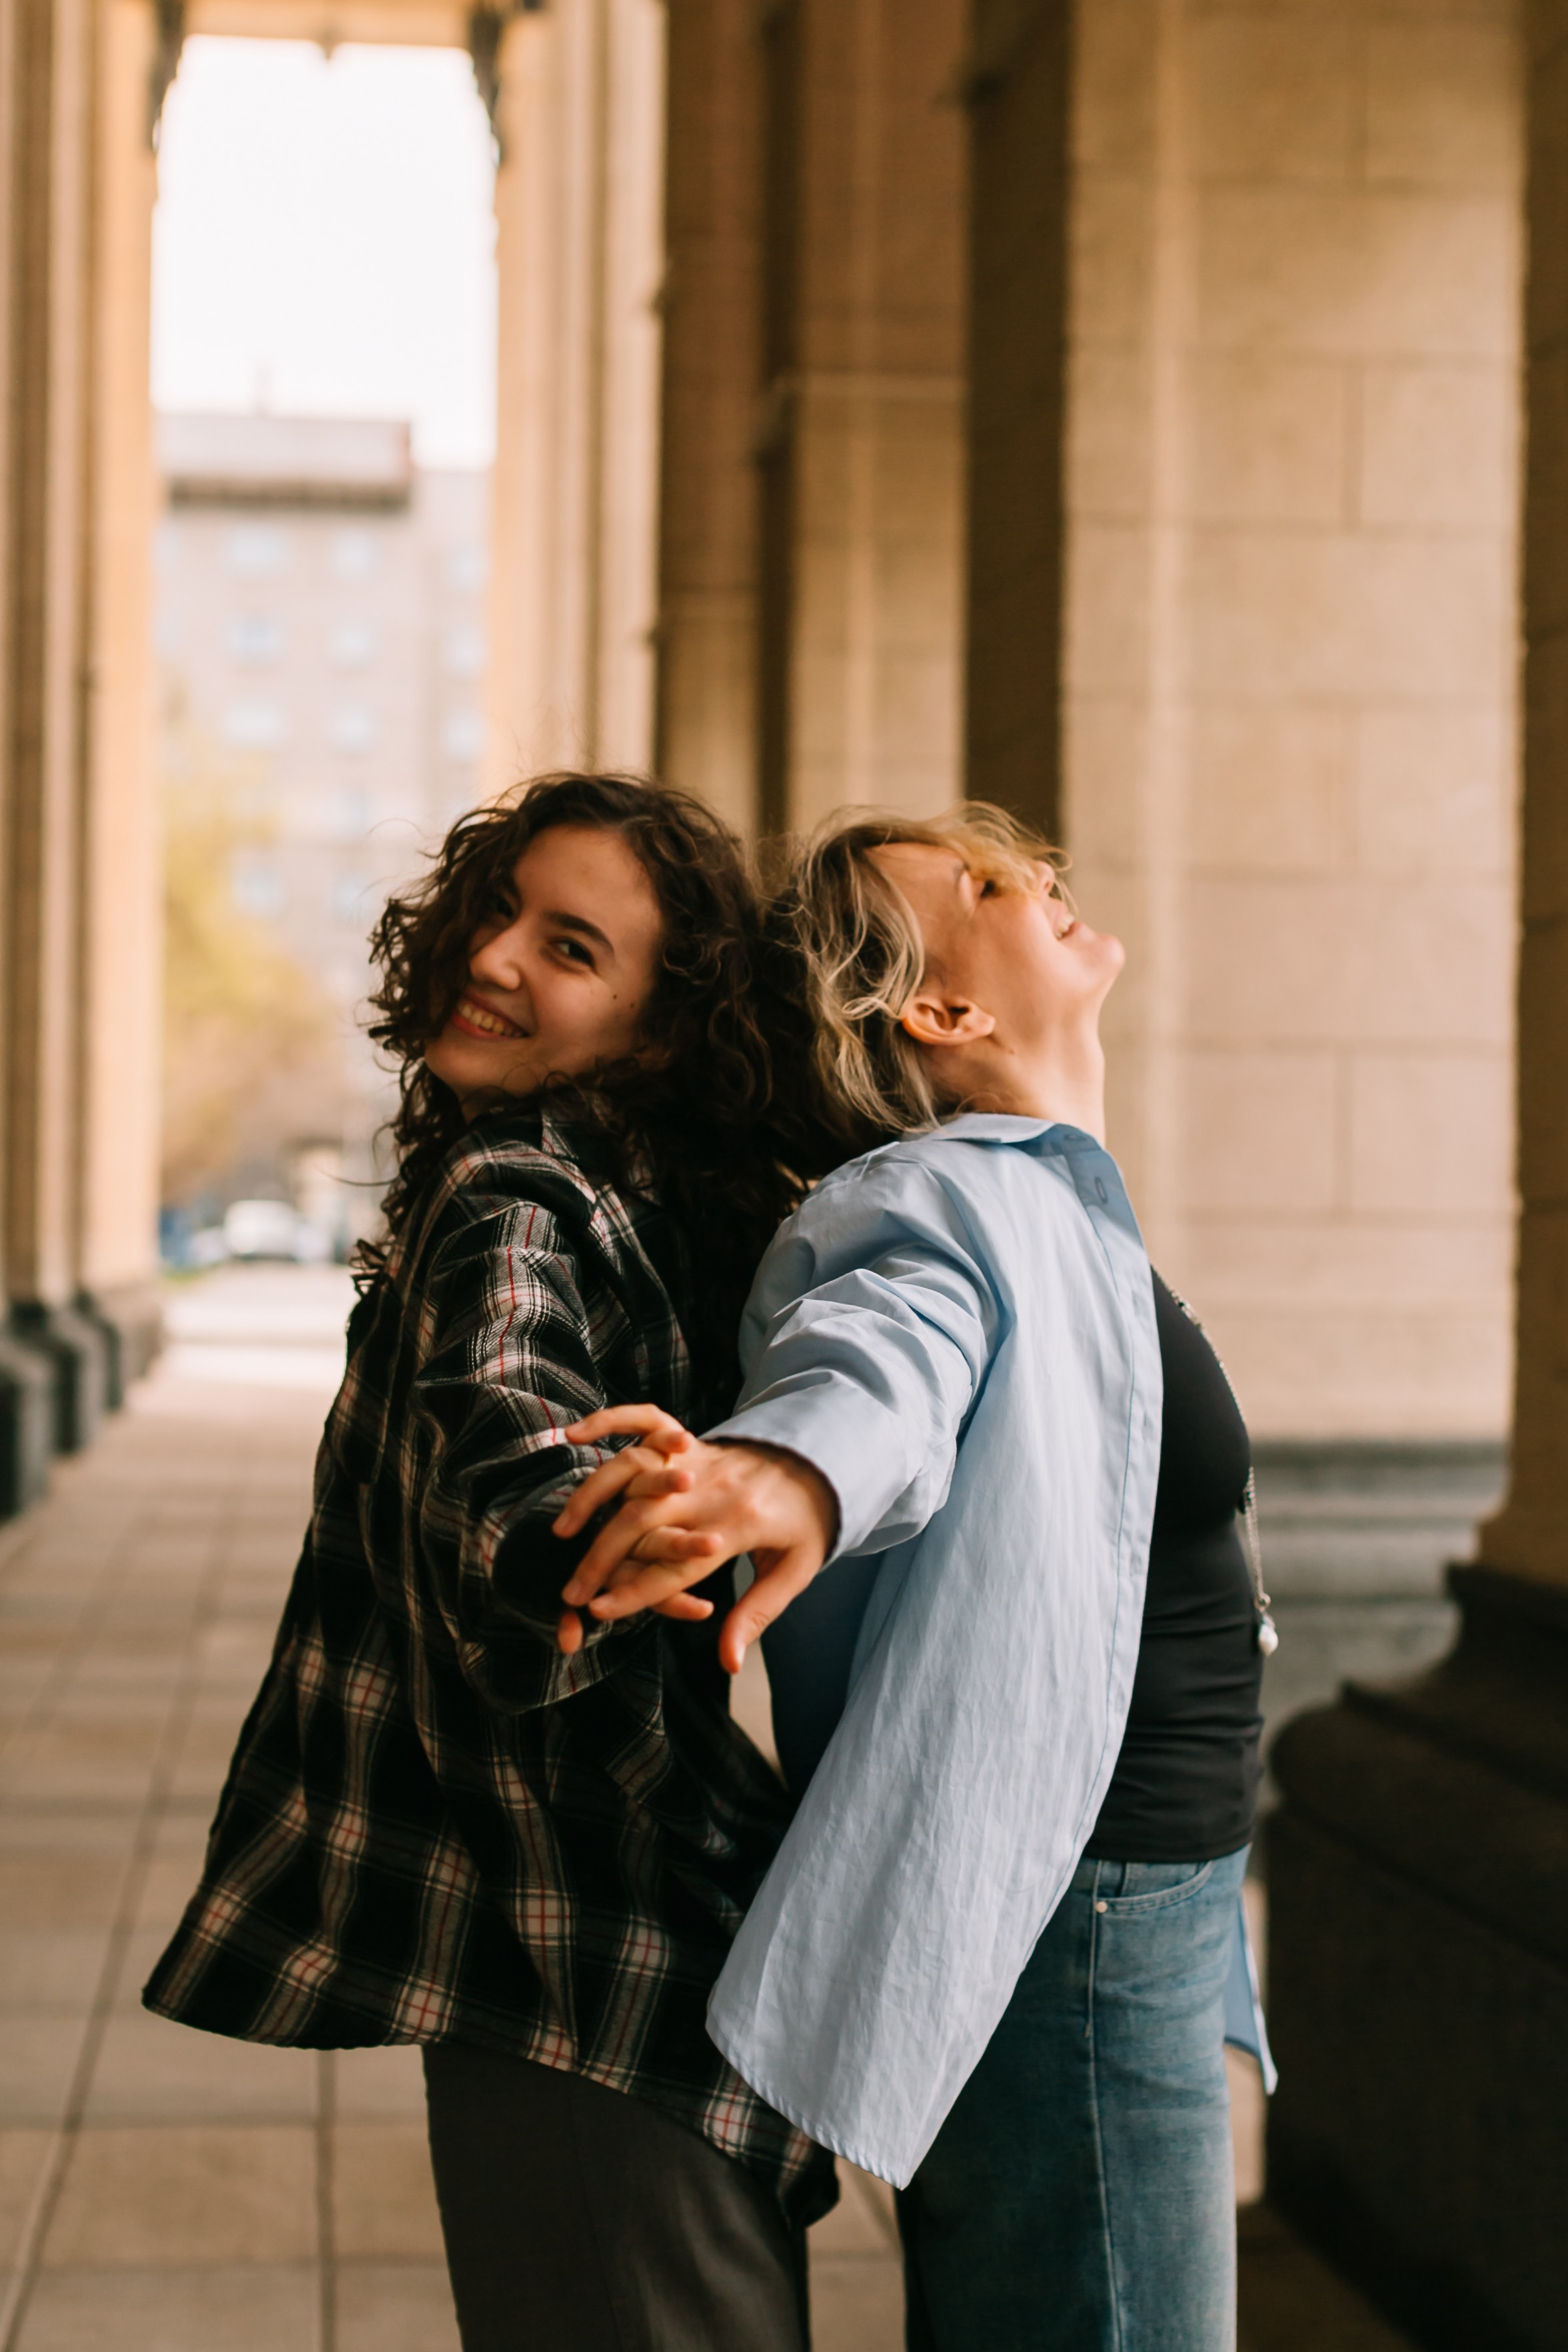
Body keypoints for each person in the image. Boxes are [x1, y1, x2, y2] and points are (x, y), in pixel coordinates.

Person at [556, 803, 1269, 2352]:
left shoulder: (1049, 1194)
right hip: (1080, 1909)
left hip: (1124, 1893)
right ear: (937, 1009)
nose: (1050, 886)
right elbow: (884, 1360)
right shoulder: (931, 1202)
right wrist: (789, 1472)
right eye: (1000, 883)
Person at [143, 774, 837, 2352]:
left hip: (582, 1982)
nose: (499, 954)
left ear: (661, 1032)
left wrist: (564, 1540)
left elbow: (505, 1434)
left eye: (573, 945)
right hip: (620, 1949)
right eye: (505, 907)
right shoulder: (630, 1200)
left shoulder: (510, 1190)